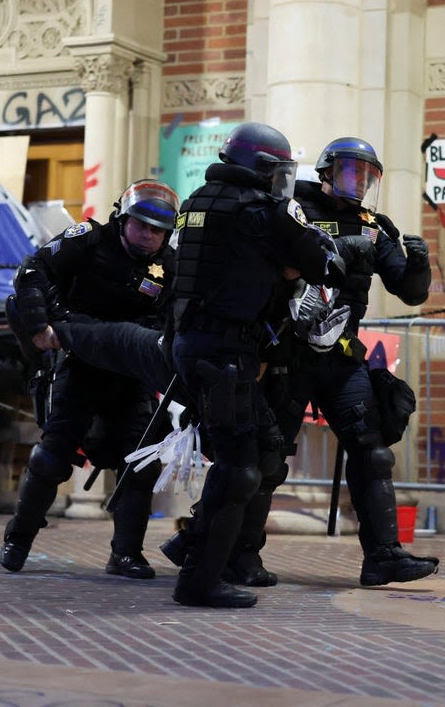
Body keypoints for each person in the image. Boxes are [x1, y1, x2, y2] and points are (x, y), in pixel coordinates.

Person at [222, 136, 439, 588]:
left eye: (366, 175)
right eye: (349, 172)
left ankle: (383, 557)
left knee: (373, 452)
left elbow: (410, 291)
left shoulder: (373, 225)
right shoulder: (294, 209)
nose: (358, 182)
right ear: (325, 172)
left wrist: (417, 263)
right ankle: (238, 556)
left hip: (341, 357)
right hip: (287, 352)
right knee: (267, 460)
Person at [169, 121, 344, 609]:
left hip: (195, 345)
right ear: (261, 169)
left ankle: (188, 548)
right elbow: (326, 264)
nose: (280, 181)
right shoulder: (260, 211)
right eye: (277, 171)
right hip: (224, 353)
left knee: (262, 446)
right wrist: (291, 262)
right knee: (239, 468)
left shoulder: (198, 201)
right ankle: (200, 580)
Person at [0, 179, 179, 579]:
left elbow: (176, 318)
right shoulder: (90, 240)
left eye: (157, 230)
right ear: (123, 218)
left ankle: (126, 554)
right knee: (51, 458)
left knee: (141, 462)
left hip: (130, 374)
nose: (148, 235)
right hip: (79, 363)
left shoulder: (170, 266)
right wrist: (37, 326)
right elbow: (33, 269)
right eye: (141, 225)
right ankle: (18, 539)